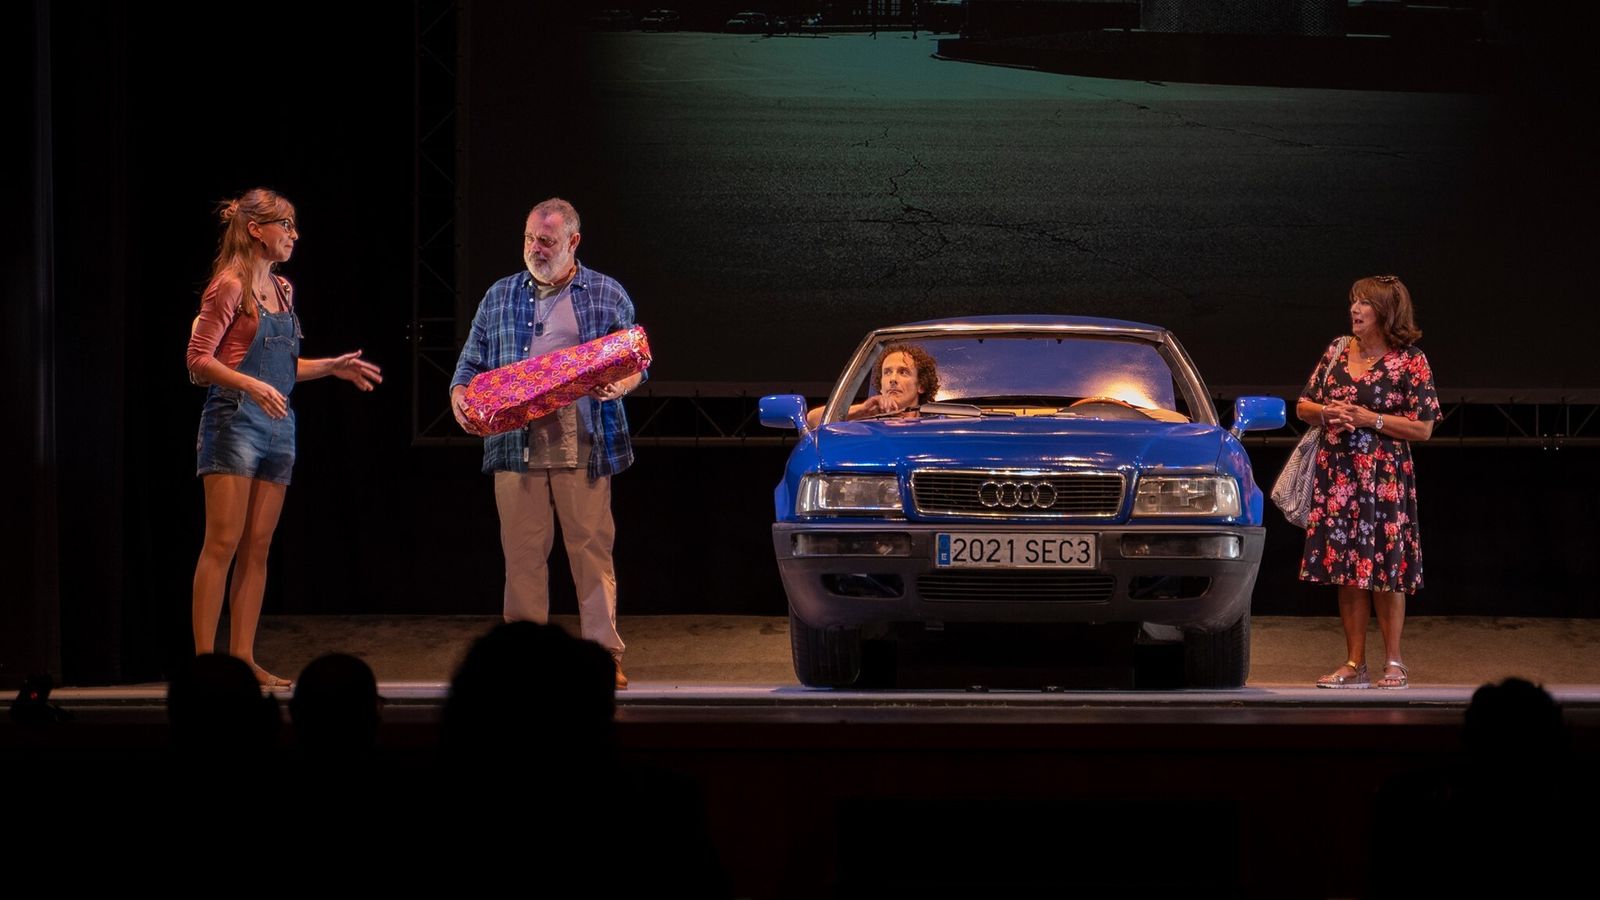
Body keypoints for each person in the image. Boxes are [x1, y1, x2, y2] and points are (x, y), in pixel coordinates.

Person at [187, 188, 383, 689]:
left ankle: (244, 659)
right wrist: (252, 385)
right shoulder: (229, 286)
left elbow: (283, 366)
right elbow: (198, 362)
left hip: (278, 423)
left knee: (258, 546)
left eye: (294, 227)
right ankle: (207, 667)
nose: (294, 235)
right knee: (223, 543)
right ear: (256, 230)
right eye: (285, 226)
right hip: (234, 420)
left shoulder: (284, 289)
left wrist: (331, 367)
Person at [450, 198, 644, 690]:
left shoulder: (604, 292)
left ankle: (602, 657)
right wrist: (458, 396)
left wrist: (619, 385)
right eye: (529, 239)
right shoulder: (499, 296)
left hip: (584, 441)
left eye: (547, 242)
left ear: (573, 242)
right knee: (523, 554)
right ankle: (523, 661)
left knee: (591, 551)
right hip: (517, 445)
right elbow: (470, 363)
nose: (535, 249)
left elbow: (635, 361)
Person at [1297, 275, 1438, 690]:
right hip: (1338, 476)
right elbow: (1304, 403)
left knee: (1386, 570)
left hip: (1385, 479)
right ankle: (1354, 663)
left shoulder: (1410, 360)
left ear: (1386, 313)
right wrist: (1327, 413)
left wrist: (1369, 419)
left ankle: (1394, 662)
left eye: (1365, 304)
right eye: (1354, 302)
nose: (1355, 310)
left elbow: (1424, 428)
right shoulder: (1337, 350)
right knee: (1347, 570)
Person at [805, 341, 940, 428]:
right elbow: (812, 420)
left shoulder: (936, 425)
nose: (892, 379)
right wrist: (862, 410)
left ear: (921, 385)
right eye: (887, 372)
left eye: (903, 372)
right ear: (881, 386)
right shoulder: (866, 426)